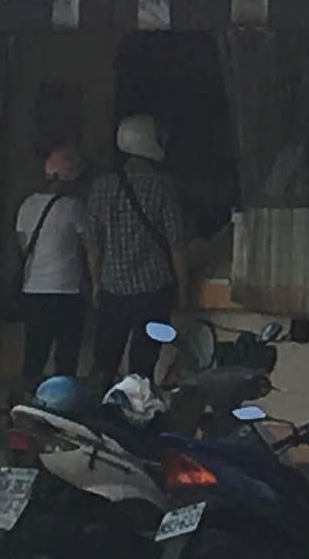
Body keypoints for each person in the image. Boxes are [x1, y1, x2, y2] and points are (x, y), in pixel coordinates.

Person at [82, 114, 191, 381]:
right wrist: (183, 287)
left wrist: (96, 282)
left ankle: (103, 405)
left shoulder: (101, 186)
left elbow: (93, 242)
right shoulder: (162, 185)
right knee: (143, 366)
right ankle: (139, 405)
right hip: (154, 290)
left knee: (105, 364)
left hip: (112, 289)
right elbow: (176, 243)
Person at [12, 143, 91, 384]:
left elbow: (22, 244)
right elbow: (90, 248)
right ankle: (63, 402)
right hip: (68, 290)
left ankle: (28, 398)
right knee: (66, 357)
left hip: (33, 289)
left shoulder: (27, 205)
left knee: (34, 355)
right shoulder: (74, 207)